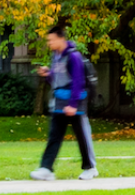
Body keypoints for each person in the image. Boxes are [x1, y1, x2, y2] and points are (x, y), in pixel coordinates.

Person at [32, 25, 99, 181]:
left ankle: (90, 167)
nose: (49, 43)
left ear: (61, 38)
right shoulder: (56, 56)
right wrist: (47, 74)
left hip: (74, 101)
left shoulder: (73, 56)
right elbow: (56, 79)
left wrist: (73, 104)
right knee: (54, 135)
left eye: (52, 40)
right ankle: (46, 168)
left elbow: (78, 81)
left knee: (82, 135)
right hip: (59, 100)